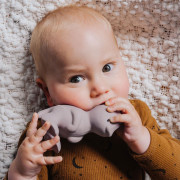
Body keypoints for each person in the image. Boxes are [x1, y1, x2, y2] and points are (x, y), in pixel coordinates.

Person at [5, 5, 180, 180]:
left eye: (107, 67)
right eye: (76, 79)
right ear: (47, 92)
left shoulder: (136, 115)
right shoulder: (43, 133)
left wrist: (142, 138)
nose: (100, 88)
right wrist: (22, 172)